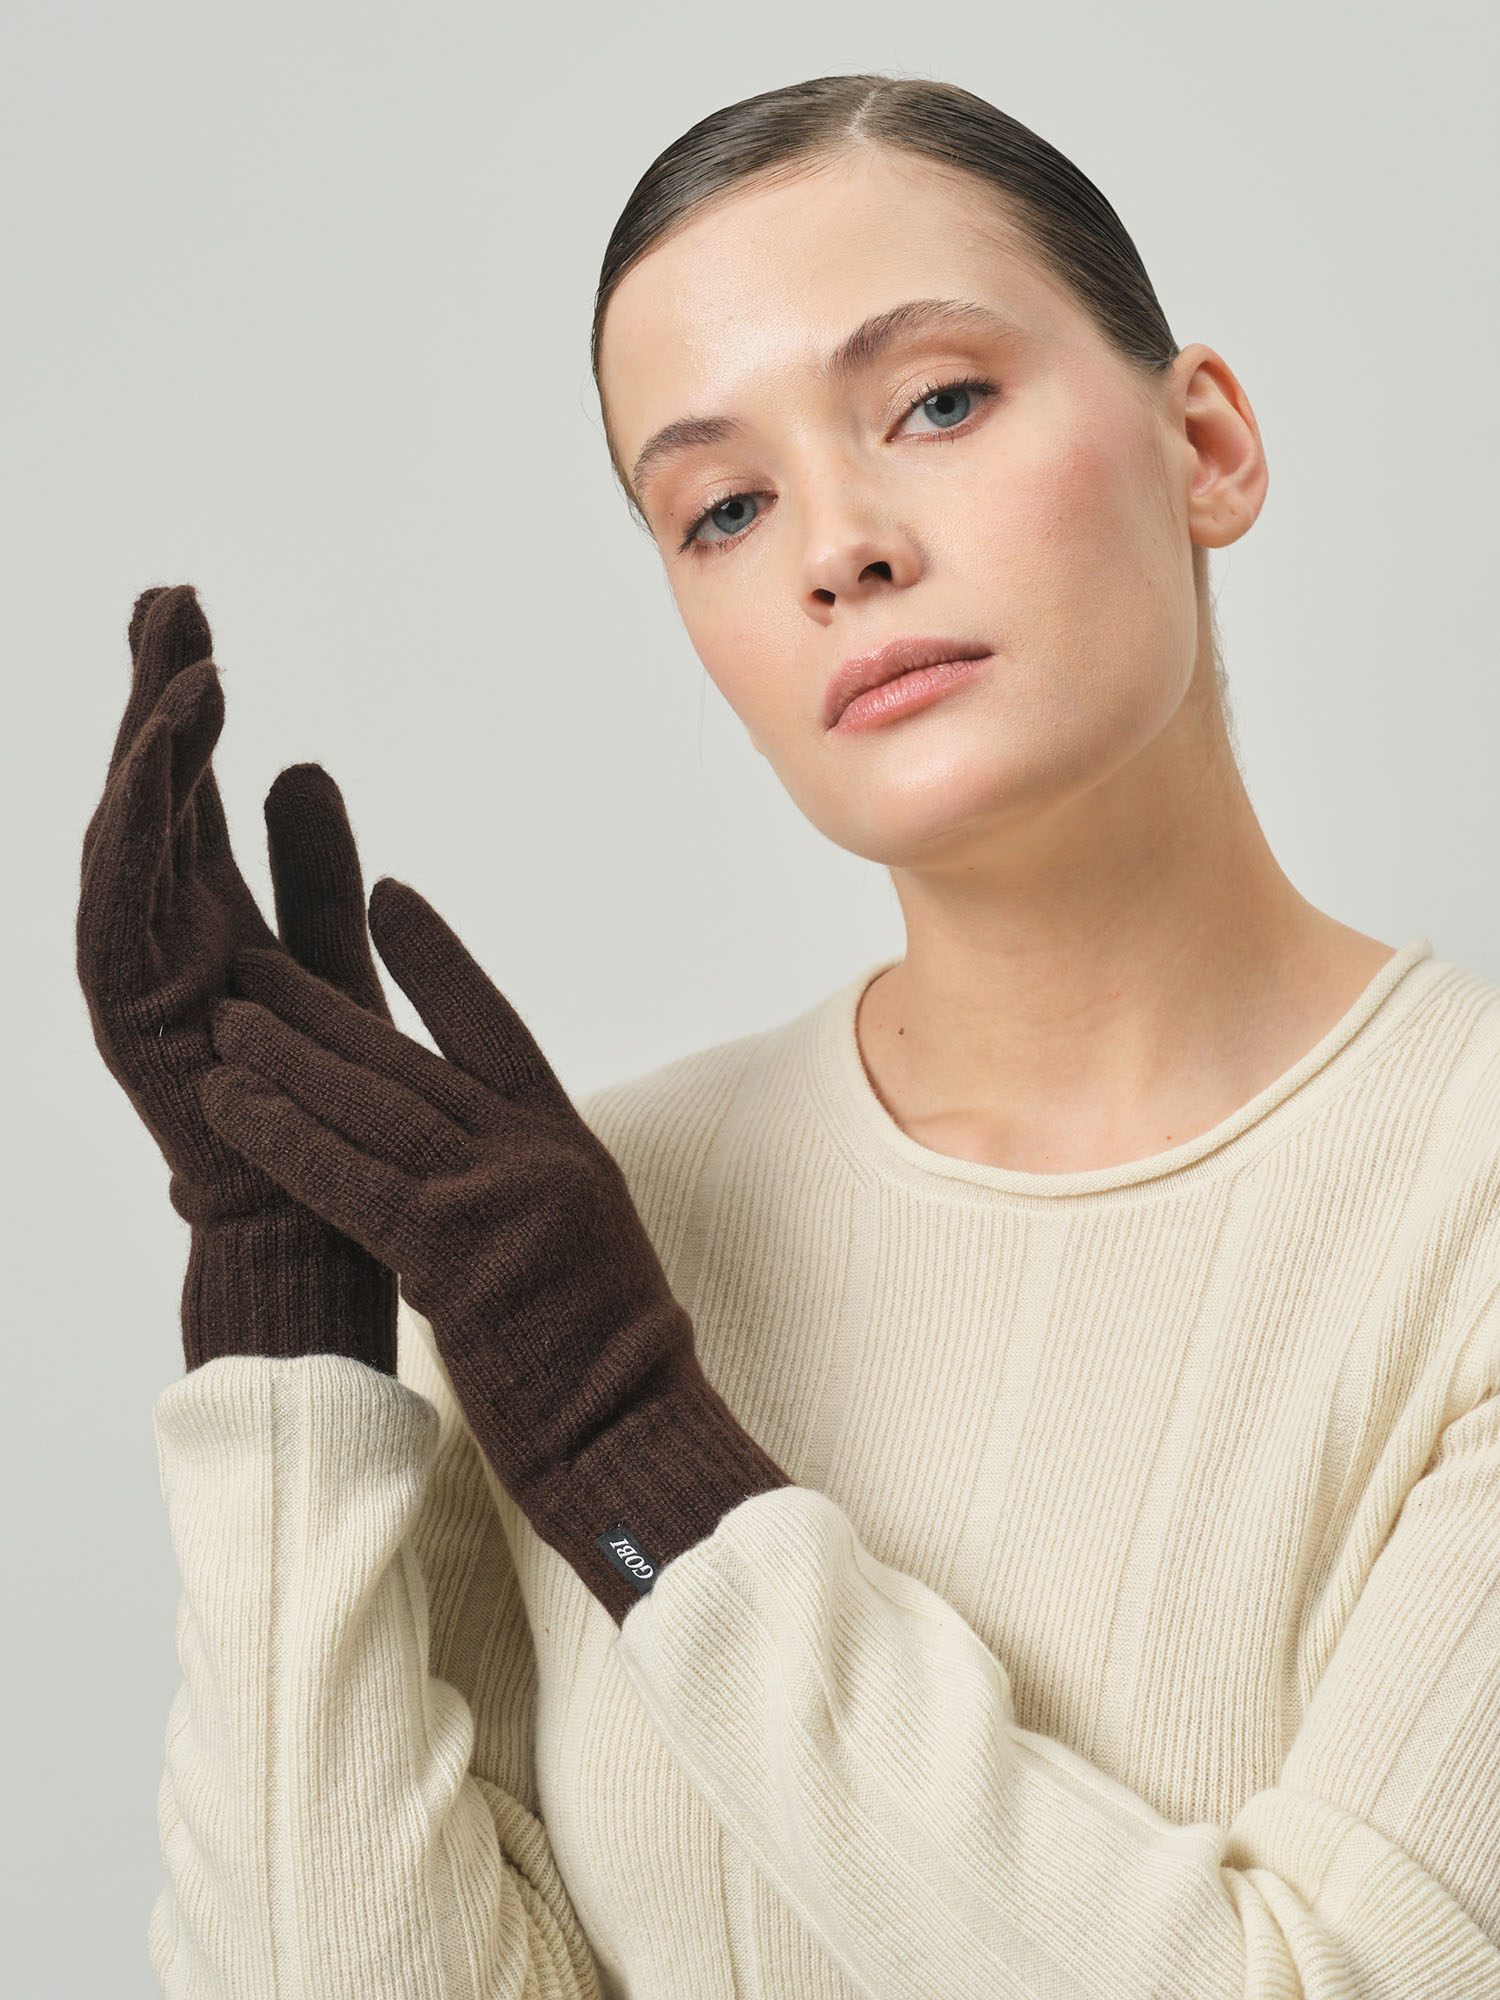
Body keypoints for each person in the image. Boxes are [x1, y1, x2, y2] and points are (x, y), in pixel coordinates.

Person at [76, 72, 1500, 2000]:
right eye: (723, 508)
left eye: (939, 401)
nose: (838, 545)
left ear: (1208, 447)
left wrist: (632, 1451)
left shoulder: (1462, 1202)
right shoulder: (560, 1229)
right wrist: (290, 1318)